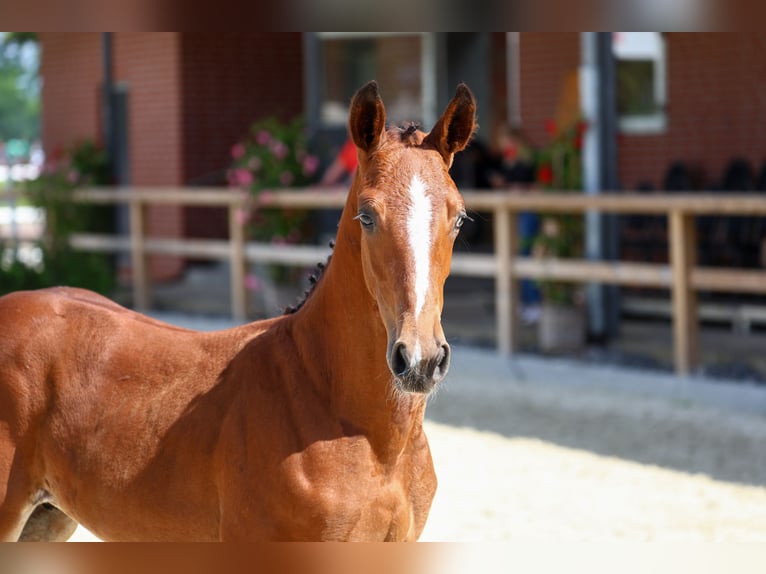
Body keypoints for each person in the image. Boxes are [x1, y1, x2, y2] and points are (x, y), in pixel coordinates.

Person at [485, 123, 541, 324]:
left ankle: (533, 303)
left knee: (525, 256)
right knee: (510, 256)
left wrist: (514, 187)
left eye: (507, 141)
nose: (505, 146)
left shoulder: (527, 161)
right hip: (511, 213)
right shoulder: (507, 161)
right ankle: (519, 302)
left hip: (526, 211)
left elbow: (536, 187)